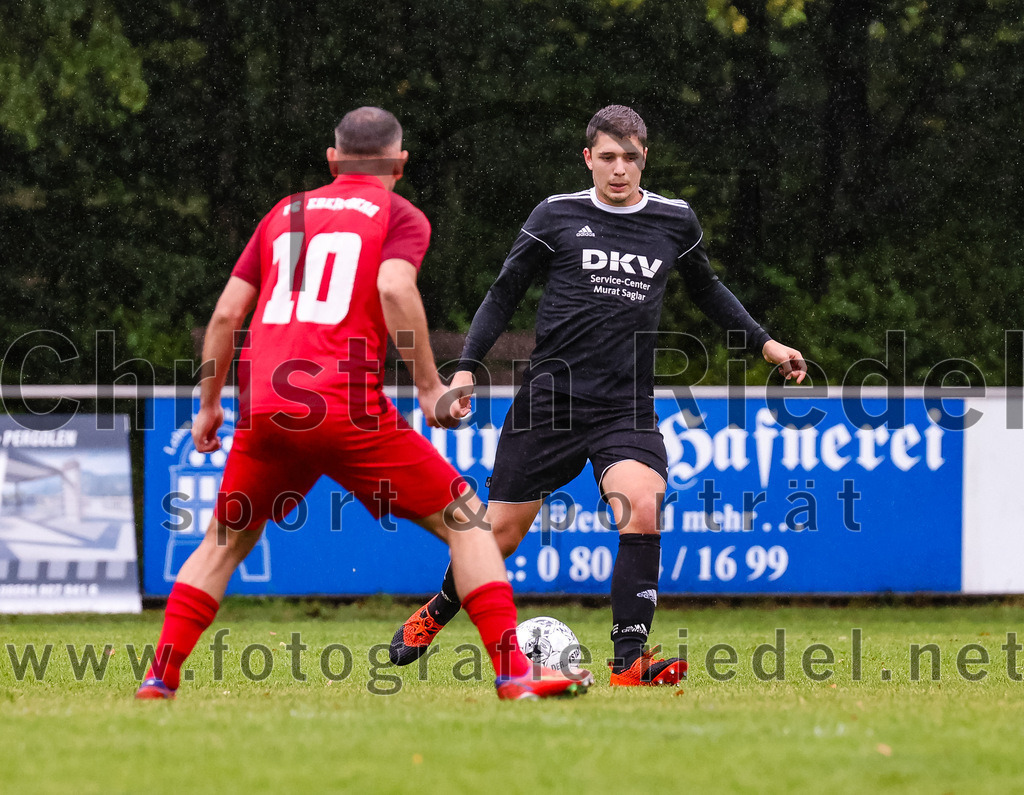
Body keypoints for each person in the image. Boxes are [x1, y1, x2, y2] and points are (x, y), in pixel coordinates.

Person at [136, 107, 591, 701]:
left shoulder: (284, 214)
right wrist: (430, 388)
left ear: (332, 159)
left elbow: (226, 314)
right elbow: (395, 287)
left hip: (267, 407)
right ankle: (513, 674)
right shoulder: (398, 215)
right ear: (400, 164)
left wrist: (208, 404)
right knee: (470, 524)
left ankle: (159, 679)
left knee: (221, 543)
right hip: (344, 406)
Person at [389, 105, 807, 686]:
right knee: (500, 536)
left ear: (644, 159)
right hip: (549, 402)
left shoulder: (674, 221)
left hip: (623, 406)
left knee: (642, 504)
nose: (618, 169)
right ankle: (439, 610)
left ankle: (628, 662)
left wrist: (764, 343)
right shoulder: (556, 214)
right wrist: (465, 371)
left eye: (629, 158)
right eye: (607, 157)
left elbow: (708, 289)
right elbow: (504, 292)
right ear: (588, 158)